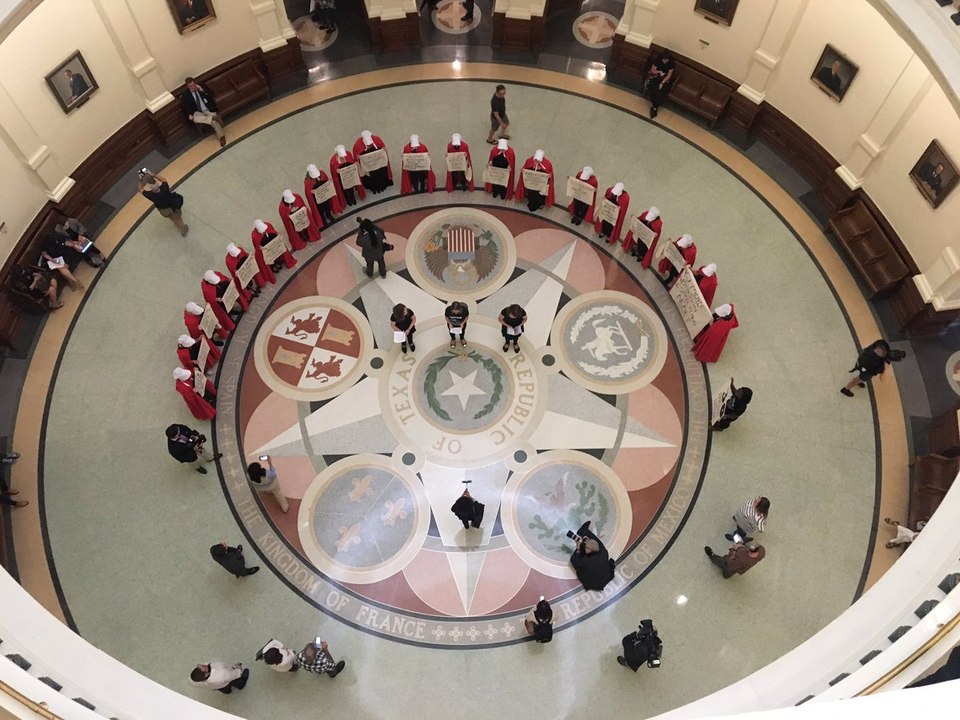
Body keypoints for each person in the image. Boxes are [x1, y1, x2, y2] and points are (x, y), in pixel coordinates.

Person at [139, 169, 188, 236]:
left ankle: (175, 222)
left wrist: (141, 179)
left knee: (171, 217)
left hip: (164, 210)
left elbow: (140, 189)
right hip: (172, 206)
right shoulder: (164, 188)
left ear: (151, 189)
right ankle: (183, 229)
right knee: (178, 219)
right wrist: (153, 174)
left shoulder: (150, 195)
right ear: (158, 184)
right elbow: (163, 180)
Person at [570, 520, 615, 591]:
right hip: (606, 578)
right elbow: (596, 547)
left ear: (589, 550)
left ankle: (583, 531)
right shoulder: (604, 552)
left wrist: (578, 548)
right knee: (598, 546)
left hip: (590, 583)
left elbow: (573, 561)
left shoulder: (585, 561)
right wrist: (589, 543)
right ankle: (584, 531)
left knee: (579, 563)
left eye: (586, 547)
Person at [180, 76, 225, 147]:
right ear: (188, 87)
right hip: (198, 113)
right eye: (191, 86)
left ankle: (221, 137)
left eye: (193, 85)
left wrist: (202, 90)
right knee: (195, 118)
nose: (193, 87)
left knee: (214, 122)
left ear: (195, 83)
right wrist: (190, 114)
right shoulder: (186, 95)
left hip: (207, 109)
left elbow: (211, 94)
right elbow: (186, 108)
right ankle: (213, 117)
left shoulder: (202, 87)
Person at [252, 219, 295, 286]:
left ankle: (277, 261)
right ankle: (272, 266)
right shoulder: (254, 235)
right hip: (264, 248)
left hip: (271, 244)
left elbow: (273, 232)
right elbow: (257, 246)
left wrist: (277, 234)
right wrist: (260, 247)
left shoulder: (268, 225)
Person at [304, 163, 340, 228]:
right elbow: (308, 193)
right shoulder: (307, 182)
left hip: (325, 195)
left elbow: (326, 180)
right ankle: (323, 219)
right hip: (317, 199)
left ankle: (328, 215)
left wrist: (329, 181)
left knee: (327, 206)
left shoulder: (322, 173)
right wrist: (311, 192)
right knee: (320, 210)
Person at [645, 50, 676, 119]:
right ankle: (654, 106)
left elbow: (669, 74)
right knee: (655, 89)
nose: (665, 61)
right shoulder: (657, 60)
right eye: (664, 59)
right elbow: (652, 70)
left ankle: (655, 106)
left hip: (665, 78)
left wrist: (662, 82)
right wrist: (659, 71)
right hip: (656, 75)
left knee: (664, 91)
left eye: (666, 60)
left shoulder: (671, 62)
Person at [224, 244, 257, 310]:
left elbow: (245, 255)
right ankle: (250, 291)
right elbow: (232, 270)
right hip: (239, 272)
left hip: (245, 268)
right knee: (244, 284)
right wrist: (236, 273)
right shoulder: (228, 261)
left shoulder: (239, 249)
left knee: (249, 279)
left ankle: (252, 287)